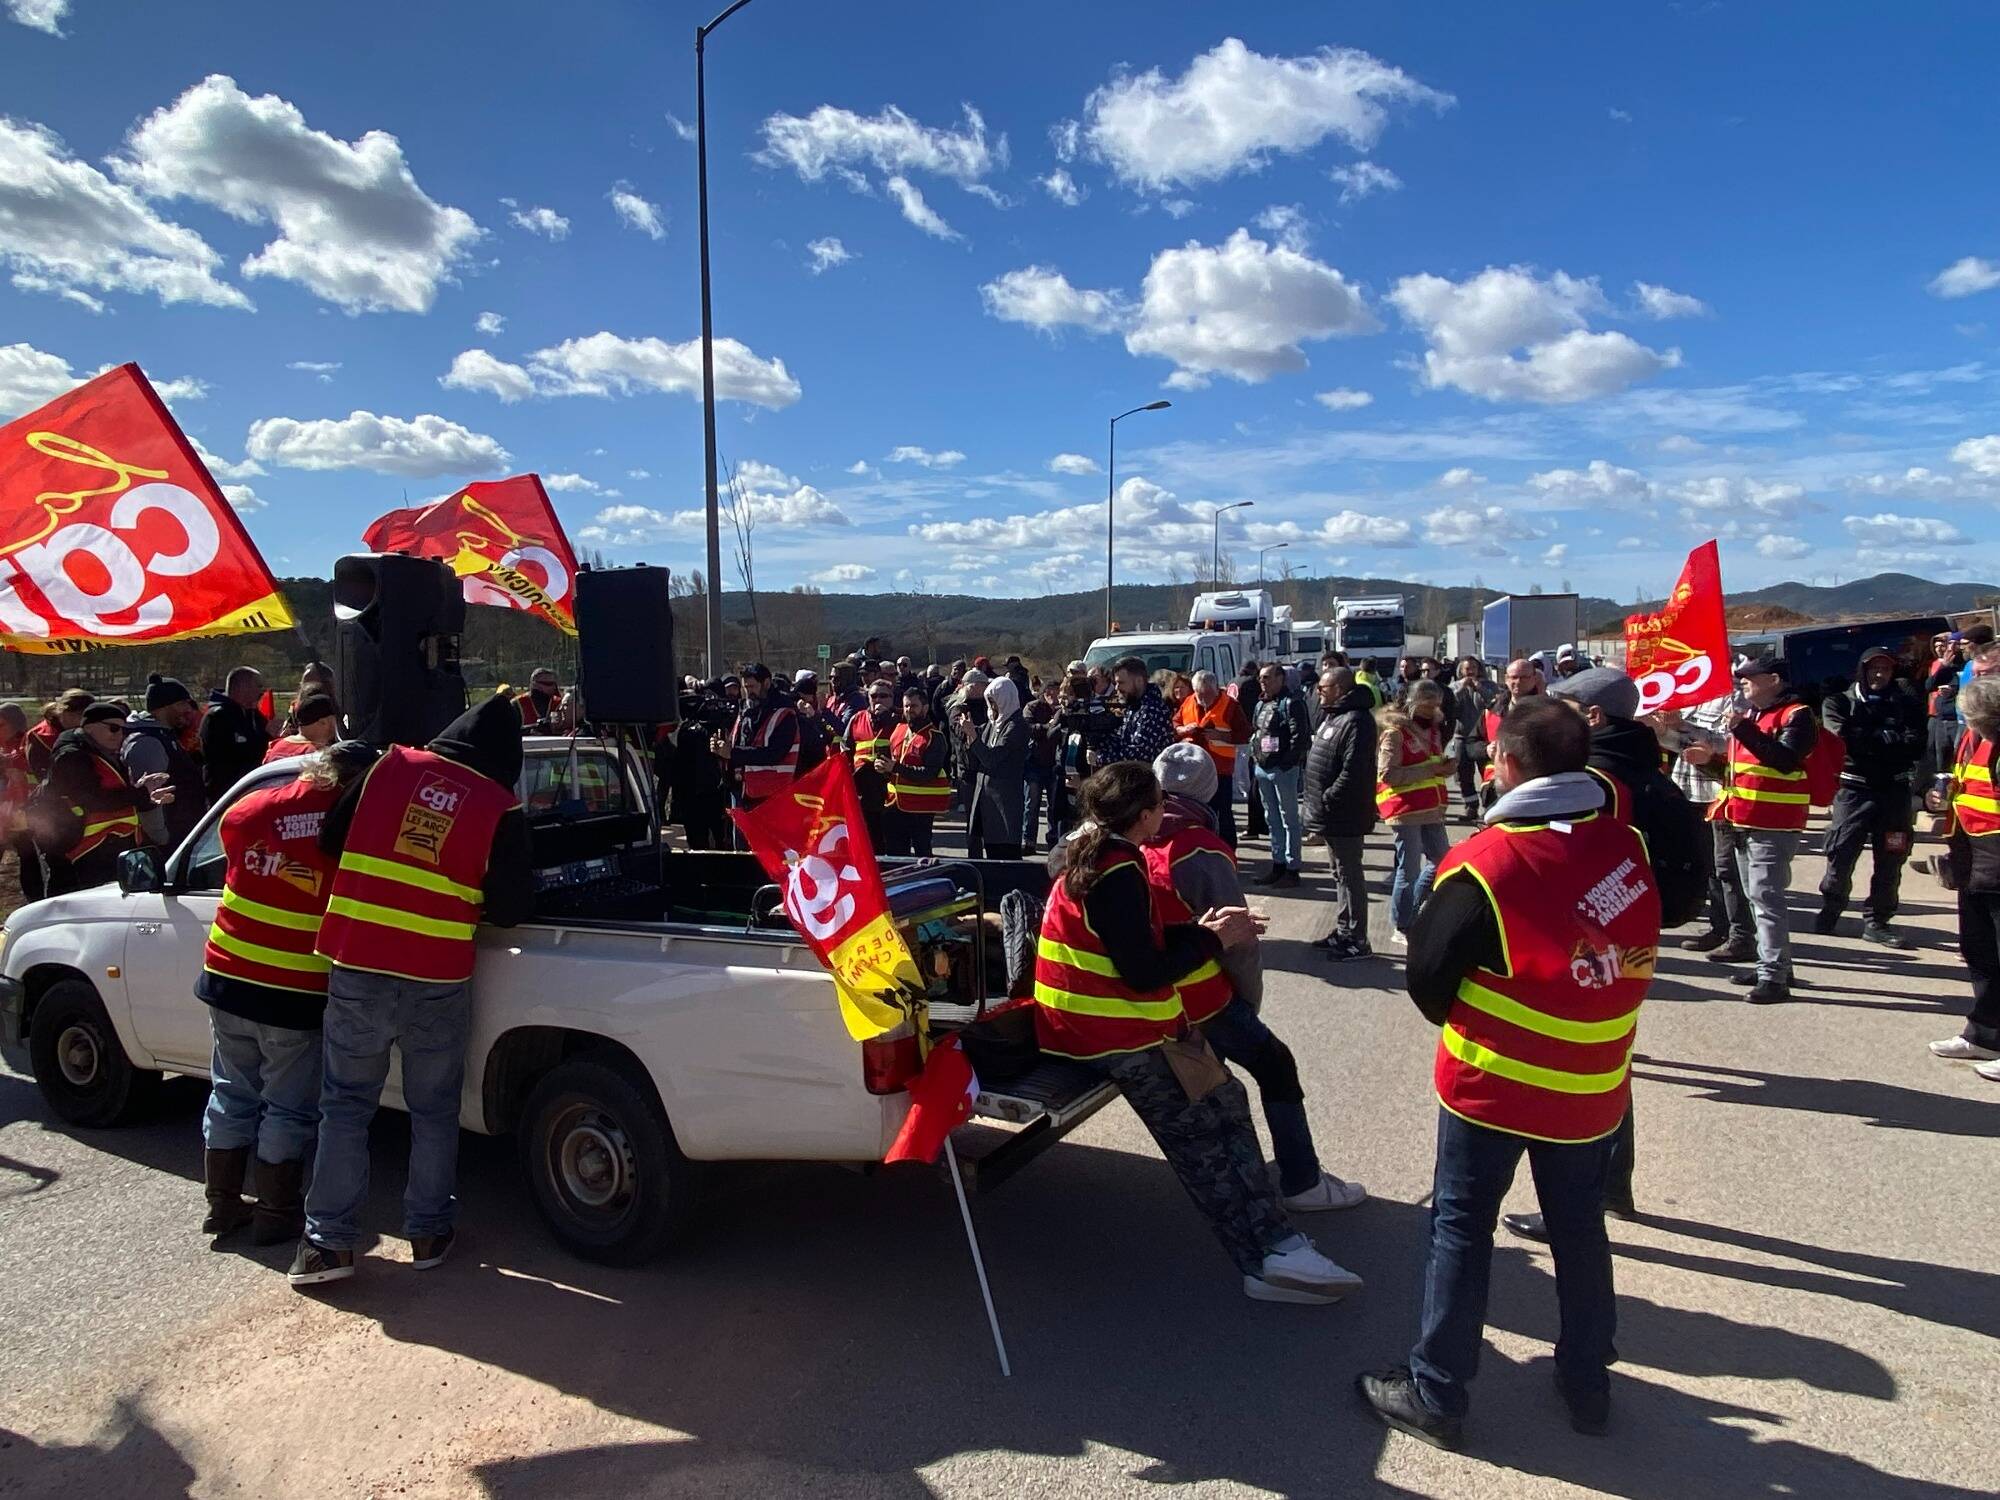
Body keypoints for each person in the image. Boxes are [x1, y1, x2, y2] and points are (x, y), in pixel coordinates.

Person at [1357, 698, 1661, 1449]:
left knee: (1461, 1229)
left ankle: (1437, 1392)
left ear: (1510, 764)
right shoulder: (1624, 842)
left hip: (1493, 1086)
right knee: (1579, 1228)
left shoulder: (1485, 863)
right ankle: (1588, 1382)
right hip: (1593, 1084)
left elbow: (1428, 977)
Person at [1033, 761, 1361, 1302]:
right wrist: (1214, 941)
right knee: (1206, 1136)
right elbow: (1144, 971)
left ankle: (1278, 1241)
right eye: (1159, 803)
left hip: (1092, 1025)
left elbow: (1131, 942)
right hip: (1113, 1033)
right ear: (1145, 815)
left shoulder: (1092, 850)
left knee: (1226, 1100)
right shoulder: (1118, 868)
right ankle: (1268, 1258)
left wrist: (1198, 932)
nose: (1165, 810)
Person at [290, 693, 533, 1286]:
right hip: (436, 975)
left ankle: (327, 1246)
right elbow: (511, 910)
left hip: (358, 963)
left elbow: (329, 839)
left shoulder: (389, 766)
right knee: (433, 1110)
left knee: (345, 1106)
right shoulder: (500, 806)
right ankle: (427, 1232)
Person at [1150, 742, 1367, 1210]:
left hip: (1155, 991)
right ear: (1209, 790)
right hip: (1202, 995)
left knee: (1211, 1082)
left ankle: (1232, 1165)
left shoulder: (1136, 836)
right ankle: (1302, 1182)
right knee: (1275, 1066)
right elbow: (1239, 939)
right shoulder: (1200, 849)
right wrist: (1248, 999)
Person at [196, 742, 375, 1246]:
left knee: (230, 1093)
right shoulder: (355, 825)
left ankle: (222, 1206)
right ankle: (276, 1213)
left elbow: (229, 840)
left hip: (227, 976)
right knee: (286, 1107)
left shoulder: (255, 806)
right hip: (293, 990)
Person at [1714, 654, 1817, 1004]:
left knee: (1766, 899)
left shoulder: (1797, 715)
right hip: (1744, 819)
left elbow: (1785, 760)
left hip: (1774, 822)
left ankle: (1773, 976)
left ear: (1774, 680)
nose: (1743, 682)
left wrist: (1742, 729)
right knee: (1757, 897)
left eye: (1750, 677)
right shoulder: (1755, 715)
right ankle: (1774, 966)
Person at [1818, 646, 1925, 948]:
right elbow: (1842, 739)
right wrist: (1882, 738)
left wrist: (1877, 740)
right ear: (1862, 671)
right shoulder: (1839, 702)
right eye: (1874, 668)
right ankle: (1832, 906)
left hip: (1894, 794)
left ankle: (1878, 921)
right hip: (1854, 791)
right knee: (1840, 854)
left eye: (1886, 669)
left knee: (1892, 858)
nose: (1880, 674)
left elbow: (1917, 744)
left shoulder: (1905, 703)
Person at [1929, 675, 2000, 1080]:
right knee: (1979, 953)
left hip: (1995, 863)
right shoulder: (1971, 740)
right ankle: (1984, 1034)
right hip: (1973, 863)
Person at [37, 704, 175, 895]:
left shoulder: (104, 752)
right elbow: (92, 799)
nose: (119, 735)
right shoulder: (72, 756)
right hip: (82, 855)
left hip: (107, 851)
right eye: (113, 728)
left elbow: (113, 794)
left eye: (123, 730)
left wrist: (144, 795)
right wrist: (140, 794)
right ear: (89, 727)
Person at [1655, 691, 1753, 955]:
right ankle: (1720, 929)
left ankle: (1742, 935)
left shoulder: (1736, 698)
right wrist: (1662, 730)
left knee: (1727, 869)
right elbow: (1683, 746)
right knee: (1709, 866)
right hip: (1689, 790)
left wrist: (1682, 726)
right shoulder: (1694, 693)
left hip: (1719, 793)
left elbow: (1728, 744)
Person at [1304, 668, 1379, 961]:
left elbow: (1354, 770)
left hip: (1345, 812)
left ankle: (1358, 939)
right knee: (1339, 873)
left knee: (1350, 874)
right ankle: (1344, 929)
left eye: (1323, 688)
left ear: (1339, 688)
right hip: (1331, 813)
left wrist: (1329, 797)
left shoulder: (1358, 721)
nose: (1319, 692)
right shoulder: (1334, 716)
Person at [1378, 679, 1452, 941]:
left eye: (1436, 705)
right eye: (1427, 704)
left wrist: (1446, 767)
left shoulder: (1433, 730)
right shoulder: (1395, 733)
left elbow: (1433, 764)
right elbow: (1388, 774)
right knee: (1408, 870)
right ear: (1412, 703)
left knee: (1442, 860)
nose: (1432, 709)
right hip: (1405, 808)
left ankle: (1414, 911)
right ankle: (1402, 924)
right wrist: (1432, 769)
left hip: (1431, 807)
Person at [122, 674, 208, 854]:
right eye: (182, 703)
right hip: (168, 845)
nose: (188, 709)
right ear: (164, 707)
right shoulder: (148, 743)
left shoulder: (165, 736)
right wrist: (162, 838)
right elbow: (149, 797)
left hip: (182, 837)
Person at [1175, 669, 1253, 847]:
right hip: (1193, 769)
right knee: (1198, 812)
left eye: (1207, 694)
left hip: (1220, 770)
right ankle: (1202, 848)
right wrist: (1183, 730)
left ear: (1216, 689)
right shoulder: (1188, 702)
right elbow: (1175, 723)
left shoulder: (1230, 705)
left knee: (1223, 813)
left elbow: (1245, 733)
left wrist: (1223, 736)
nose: (1203, 698)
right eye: (1199, 694)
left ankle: (1228, 850)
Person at [714, 663, 799, 820]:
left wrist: (733, 753)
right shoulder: (745, 710)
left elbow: (774, 754)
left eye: (752, 686)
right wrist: (721, 750)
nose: (749, 692)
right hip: (742, 789)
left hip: (770, 794)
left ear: (766, 683)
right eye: (745, 687)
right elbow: (739, 743)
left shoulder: (784, 712)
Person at [962, 676, 1030, 859]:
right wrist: (968, 732)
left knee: (1005, 856)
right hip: (984, 801)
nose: (992, 708)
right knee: (988, 851)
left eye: (995, 702)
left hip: (1004, 802)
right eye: (989, 703)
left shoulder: (1016, 726)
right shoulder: (992, 725)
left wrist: (973, 736)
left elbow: (992, 759)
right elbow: (976, 752)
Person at [882, 685, 950, 857]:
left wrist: (895, 767)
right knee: (895, 854)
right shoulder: (899, 730)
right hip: (894, 804)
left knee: (922, 855)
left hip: (921, 808)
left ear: (925, 708)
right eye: (906, 706)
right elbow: (894, 764)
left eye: (914, 706)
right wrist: (884, 768)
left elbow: (928, 773)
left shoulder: (934, 737)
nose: (909, 710)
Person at [844, 679, 901, 849]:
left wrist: (887, 719)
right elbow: (846, 750)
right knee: (869, 839)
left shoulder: (900, 720)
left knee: (892, 840)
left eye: (883, 696)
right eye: (873, 696)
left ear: (892, 698)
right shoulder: (857, 719)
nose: (878, 700)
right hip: (864, 787)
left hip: (891, 786)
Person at [201, 667, 270, 803]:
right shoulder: (217, 717)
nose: (261, 691)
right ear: (242, 687)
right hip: (227, 796)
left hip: (252, 792)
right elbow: (224, 759)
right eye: (258, 686)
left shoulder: (254, 715)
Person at [1447, 659, 1497, 822]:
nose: (1470, 671)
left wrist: (1479, 687)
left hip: (1482, 738)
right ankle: (1471, 806)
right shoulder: (1454, 687)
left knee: (1488, 773)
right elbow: (1450, 706)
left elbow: (1494, 703)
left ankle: (1490, 807)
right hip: (1461, 736)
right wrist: (1462, 688)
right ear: (1461, 671)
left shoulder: (1489, 685)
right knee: (1463, 774)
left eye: (1474, 667)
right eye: (1467, 668)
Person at [1105, 656, 1176, 768]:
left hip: (1151, 776)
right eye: (1116, 683)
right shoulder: (1134, 706)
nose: (1117, 688)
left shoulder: (1153, 709)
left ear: (1139, 681)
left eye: (1121, 683)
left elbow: (1140, 754)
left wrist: (1102, 758)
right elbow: (1121, 741)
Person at [1022, 678, 1062, 851]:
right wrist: (1048, 727)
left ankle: (1053, 840)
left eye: (1056, 690)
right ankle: (1028, 839)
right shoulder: (1032, 707)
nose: (1052, 694)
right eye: (1048, 691)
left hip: (1056, 764)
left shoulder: (1064, 709)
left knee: (1055, 806)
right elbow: (1027, 728)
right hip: (1034, 763)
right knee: (1031, 804)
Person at [264, 693, 341, 762]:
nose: (338, 723)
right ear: (323, 722)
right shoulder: (318, 756)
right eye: (335, 719)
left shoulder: (275, 747)